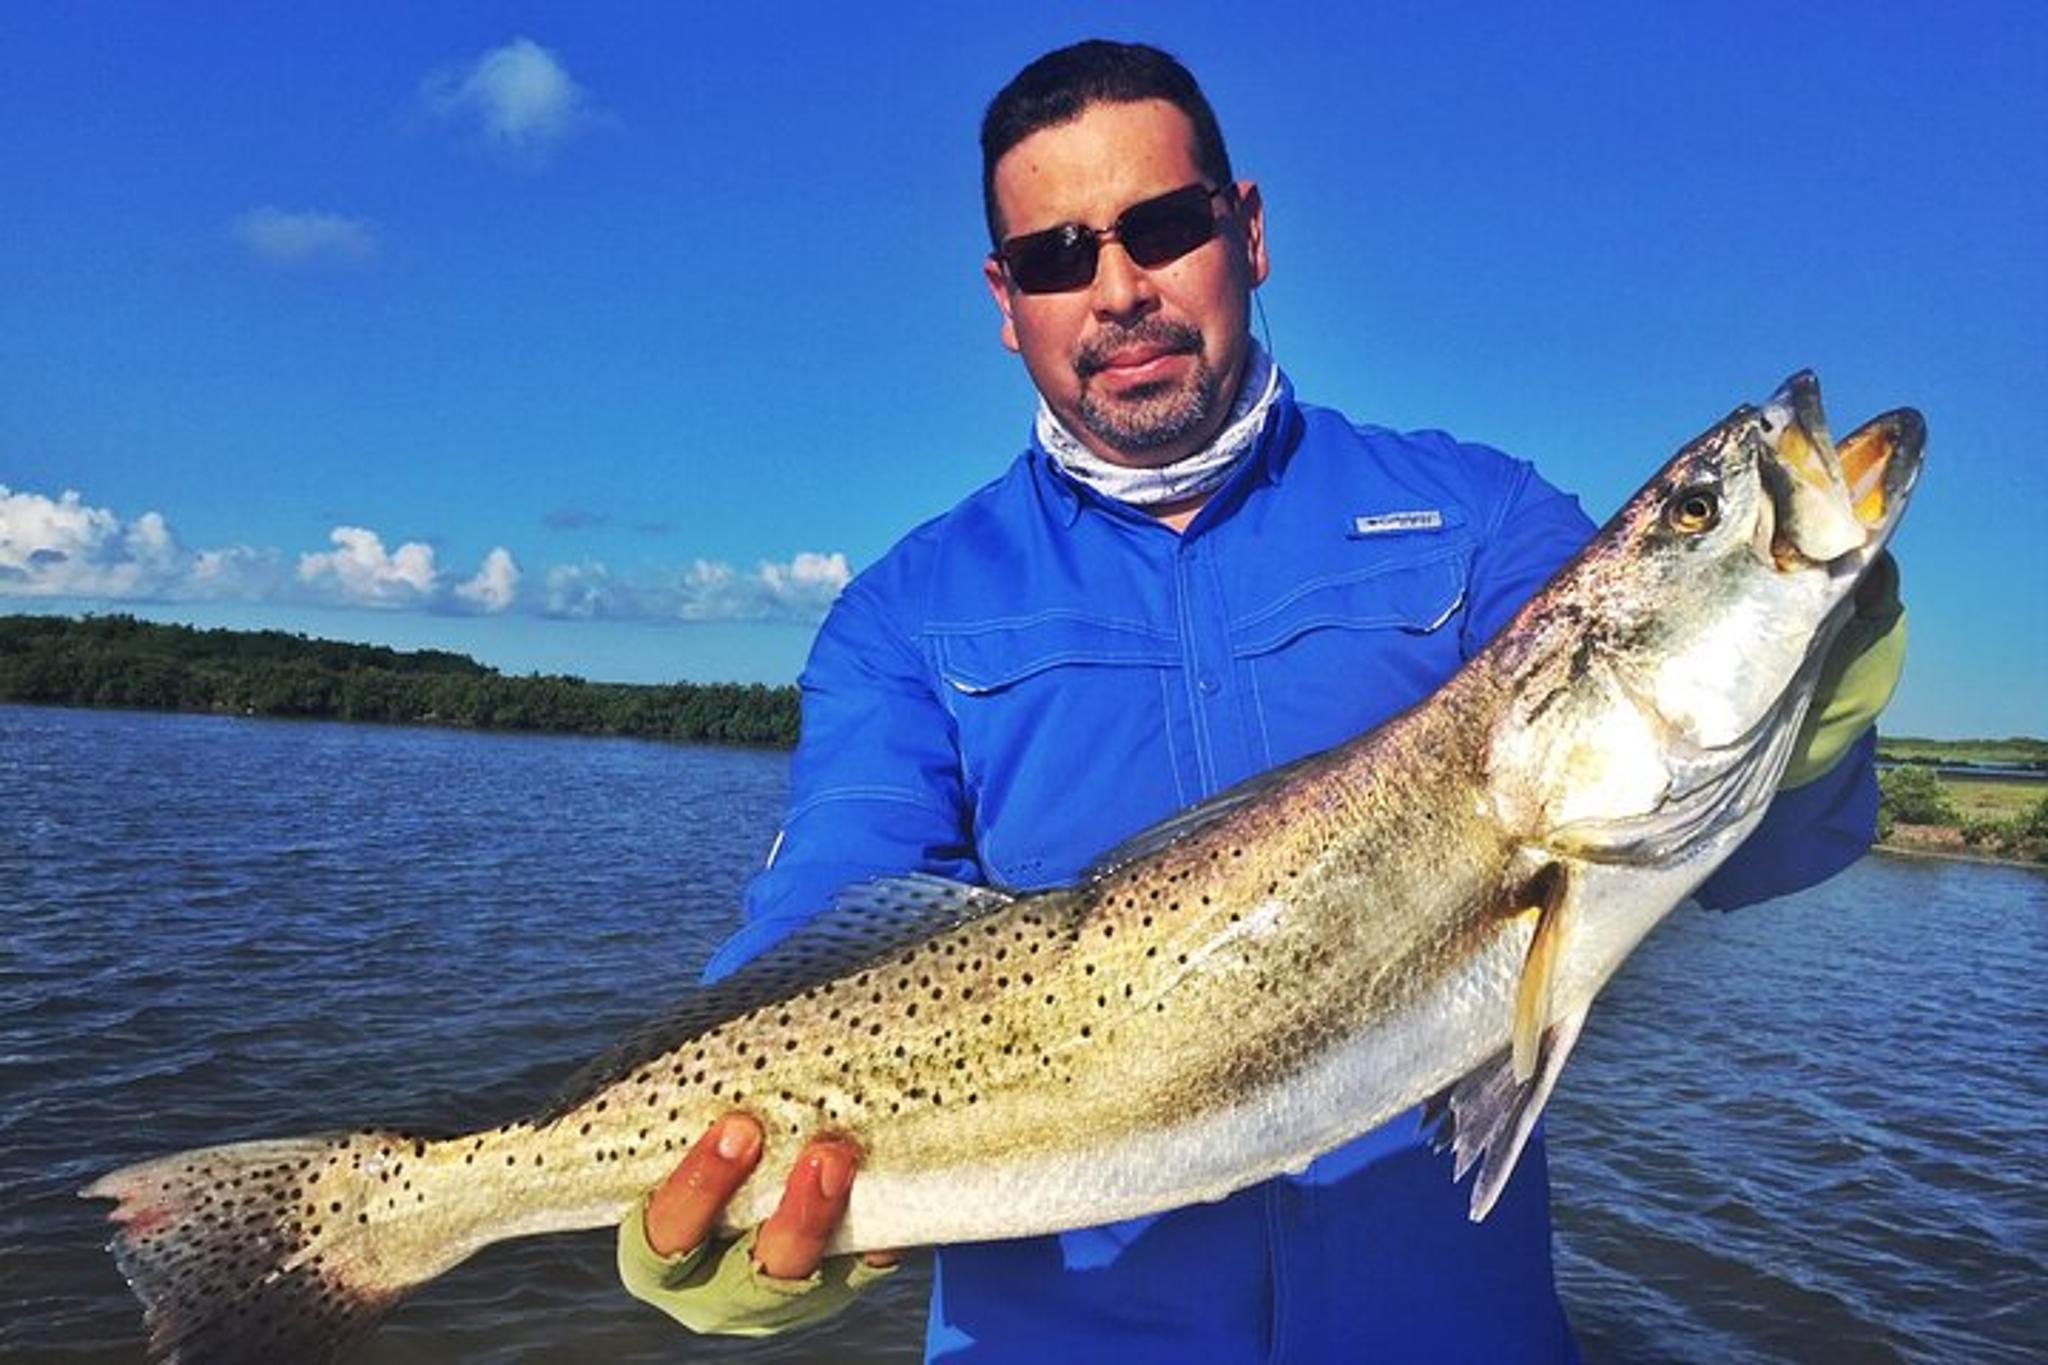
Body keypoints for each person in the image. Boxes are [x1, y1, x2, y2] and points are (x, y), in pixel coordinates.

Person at [615, 39, 1906, 1364]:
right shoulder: (908, 611)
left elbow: (1774, 847)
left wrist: (1807, 624)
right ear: (1007, 301)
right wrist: (713, 1213)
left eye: (1164, 228)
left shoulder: (1478, 521)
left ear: (1248, 230)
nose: (1119, 289)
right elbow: (826, 929)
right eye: (1060, 257)